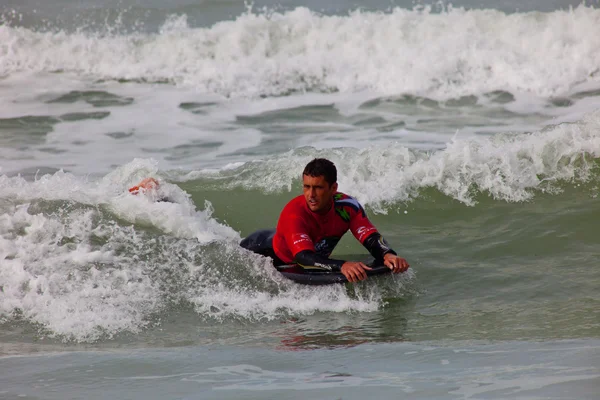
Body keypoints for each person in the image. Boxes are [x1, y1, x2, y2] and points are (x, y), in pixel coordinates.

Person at [241, 158, 409, 282]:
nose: (311, 195)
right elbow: (304, 258)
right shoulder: (294, 213)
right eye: (307, 187)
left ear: (333, 188)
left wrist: (388, 255)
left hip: (302, 252)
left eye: (318, 188)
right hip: (260, 251)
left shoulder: (347, 207)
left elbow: (370, 237)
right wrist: (342, 265)